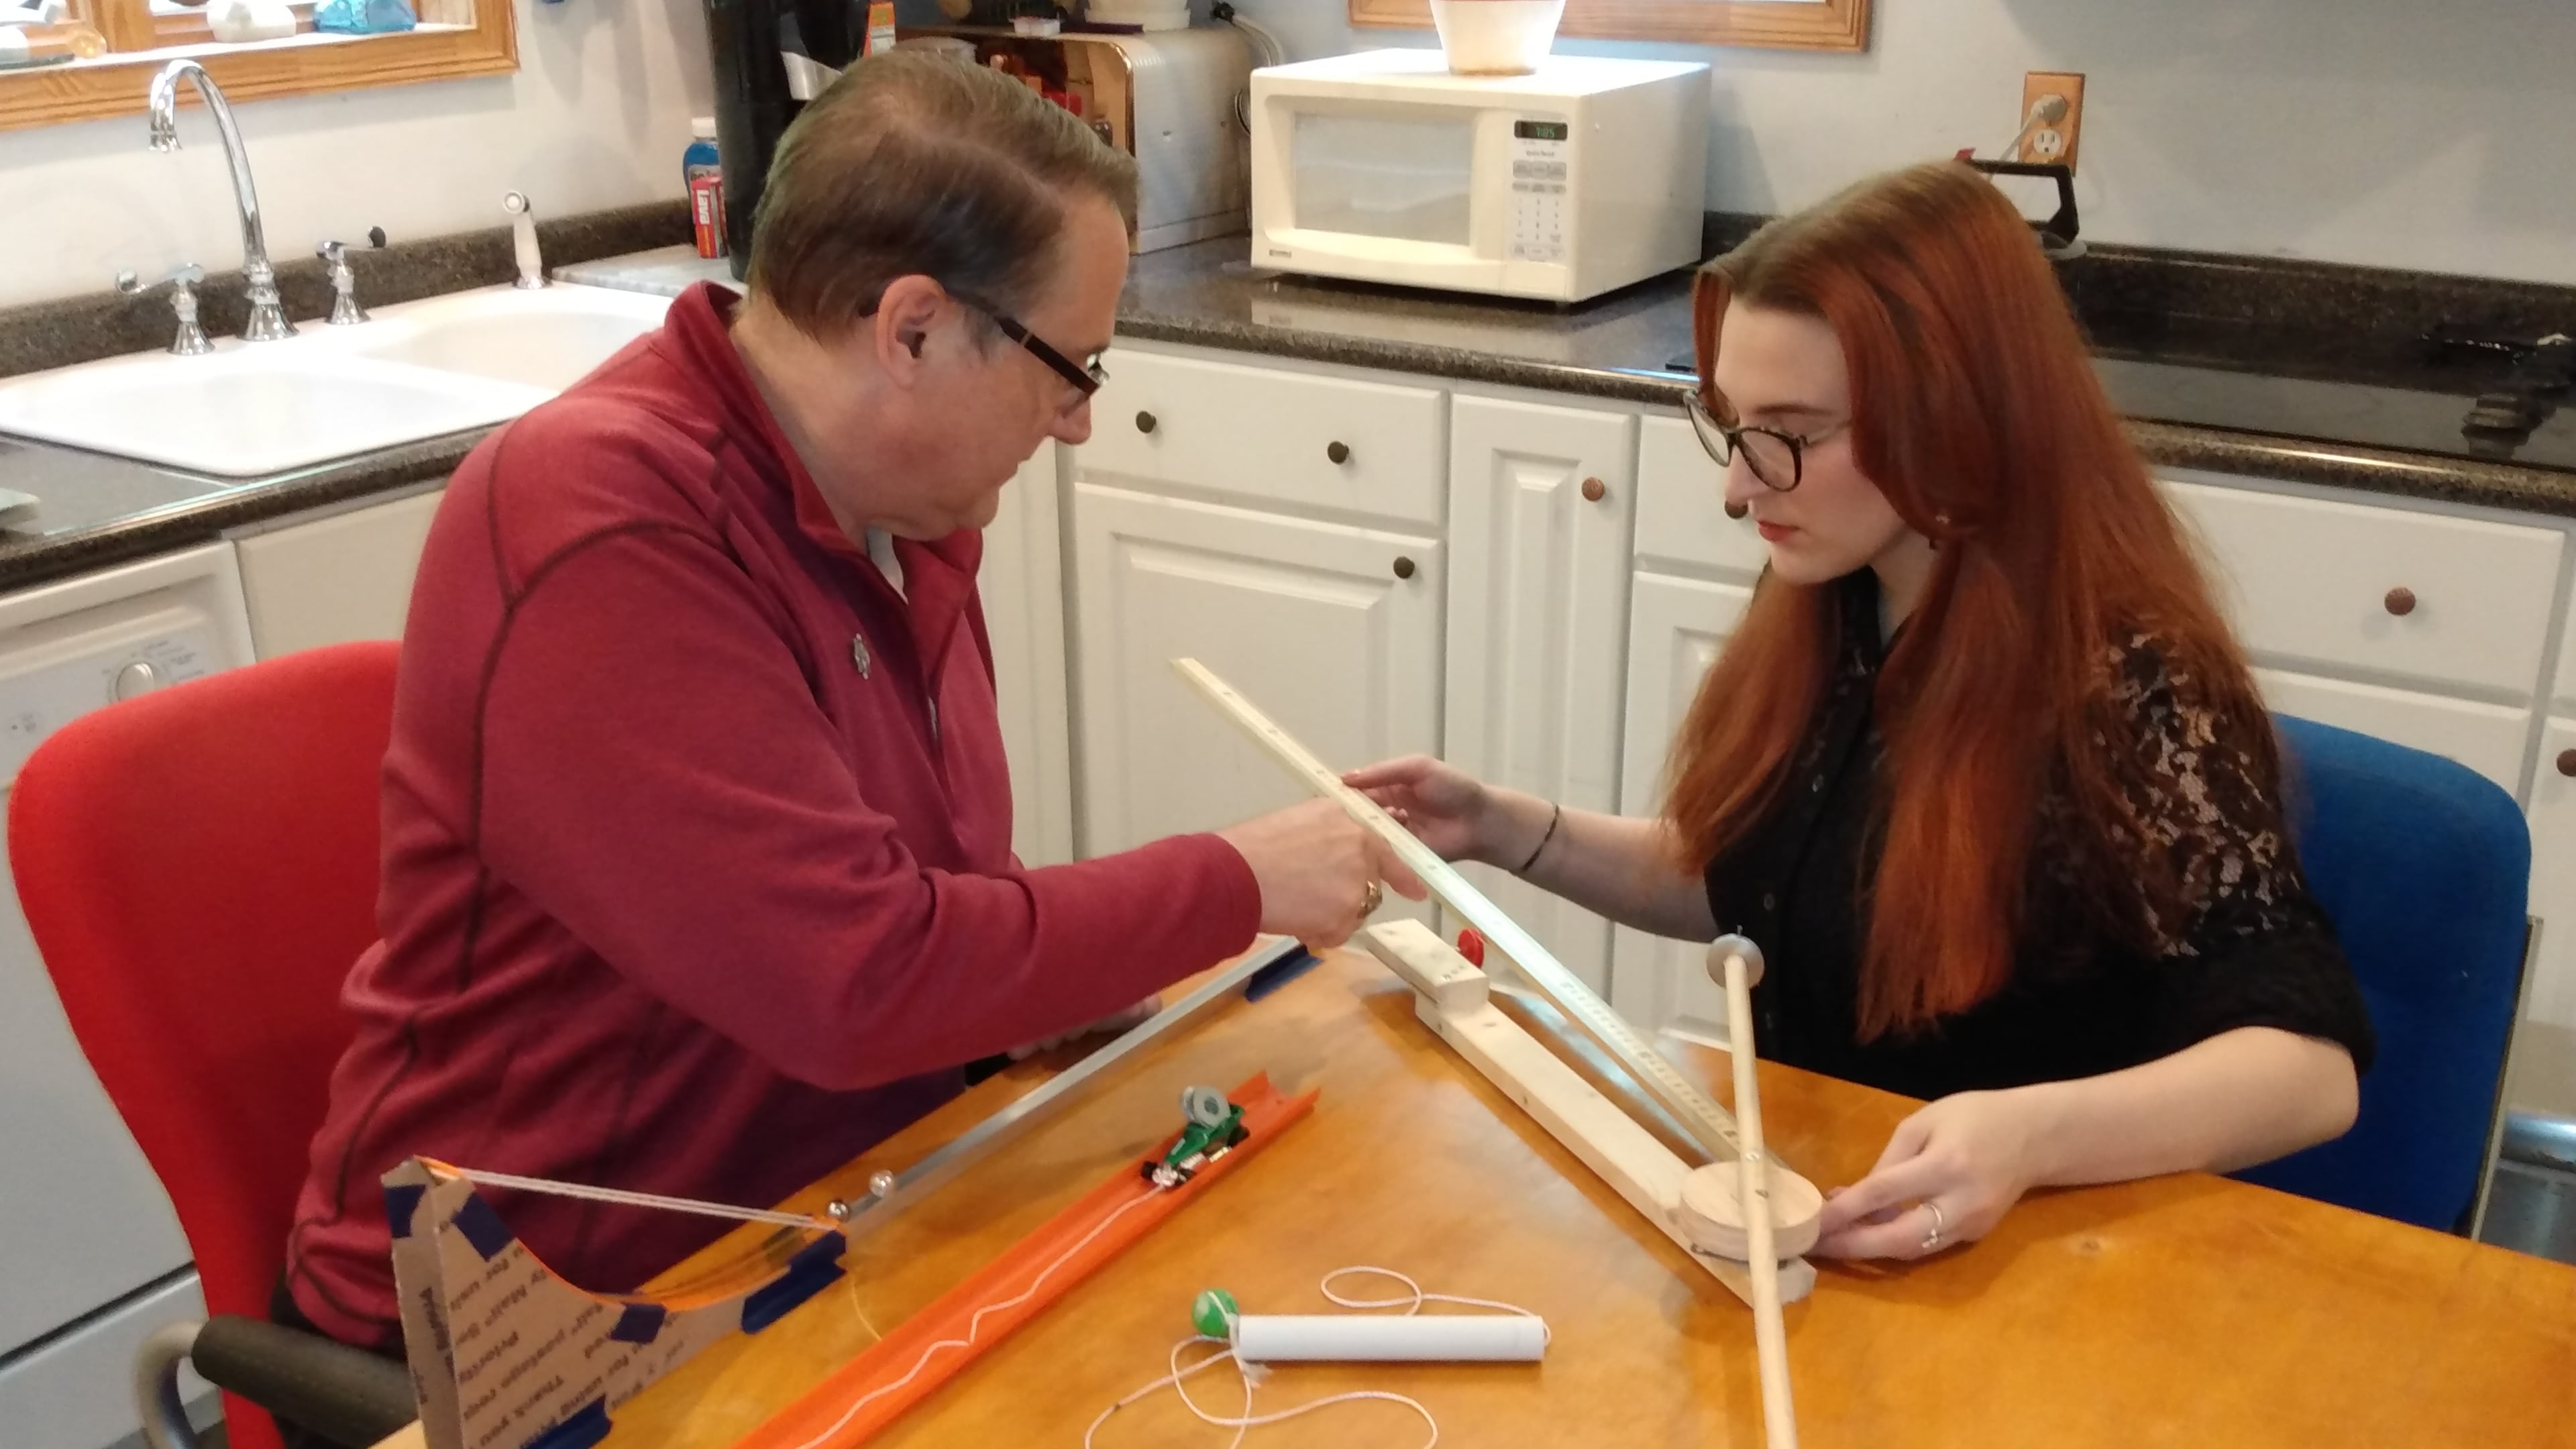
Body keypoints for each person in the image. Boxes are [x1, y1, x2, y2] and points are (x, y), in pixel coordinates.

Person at [276, 49, 1419, 1393]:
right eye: (1073, 364)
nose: (1080, 424)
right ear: (914, 329)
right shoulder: (601, 516)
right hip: (551, 1325)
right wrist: (1237, 883)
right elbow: (857, 982)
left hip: (820, 1224)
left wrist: (1055, 991)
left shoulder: (907, 515)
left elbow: (928, 901)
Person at [1348, 160, 2371, 1264]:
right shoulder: (1841, 593)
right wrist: (1505, 829)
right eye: (1733, 425)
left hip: (2044, 1266)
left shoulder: (2129, 683)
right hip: (1846, 1223)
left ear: (1957, 414)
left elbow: (2308, 1074)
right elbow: (1775, 887)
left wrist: (2029, 1135)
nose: (1740, 488)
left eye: (1790, 431)